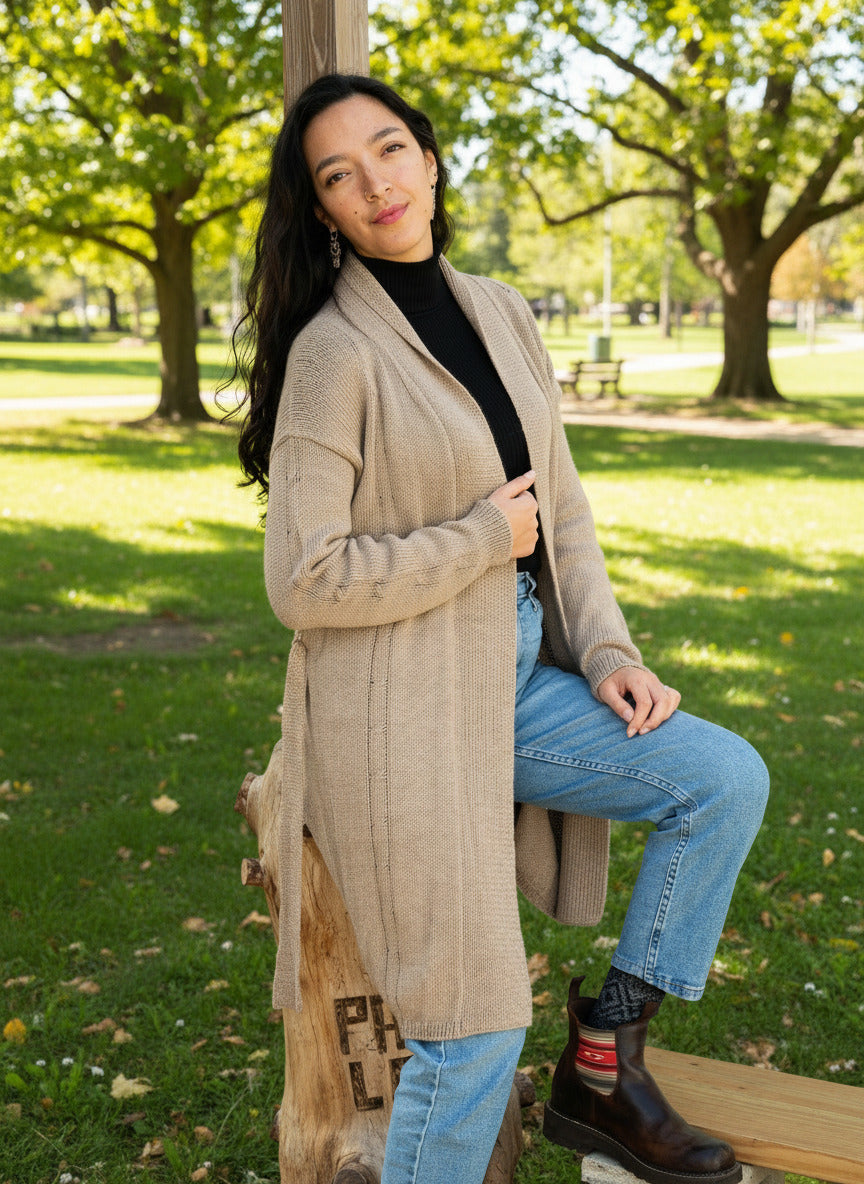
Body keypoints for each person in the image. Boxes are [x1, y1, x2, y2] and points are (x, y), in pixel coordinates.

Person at [231, 72, 769, 1184]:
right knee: (469, 1029)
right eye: (339, 173)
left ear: (429, 159)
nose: (374, 181)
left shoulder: (502, 310)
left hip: (516, 675)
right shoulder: (336, 356)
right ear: (322, 208)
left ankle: (606, 1061)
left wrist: (611, 653)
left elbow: (560, 509)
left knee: (721, 778)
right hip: (399, 710)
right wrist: (479, 534)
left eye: (388, 150)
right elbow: (304, 578)